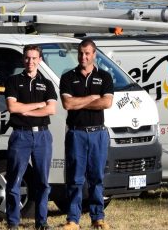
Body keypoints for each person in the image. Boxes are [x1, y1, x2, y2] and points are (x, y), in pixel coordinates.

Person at [59, 38, 113, 230]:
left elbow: (106, 103)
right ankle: (73, 219)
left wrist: (79, 101)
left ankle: (98, 218)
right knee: (75, 178)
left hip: (98, 134)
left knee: (96, 177)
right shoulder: (68, 77)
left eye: (87, 53)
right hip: (76, 134)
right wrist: (91, 98)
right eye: (81, 53)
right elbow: (68, 104)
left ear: (94, 54)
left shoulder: (105, 77)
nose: (83, 56)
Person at [4, 44, 58, 230]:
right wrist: (38, 105)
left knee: (43, 181)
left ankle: (41, 222)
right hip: (21, 135)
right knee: (14, 180)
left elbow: (51, 109)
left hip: (42, 136)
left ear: (40, 60)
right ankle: (13, 222)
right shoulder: (13, 81)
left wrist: (26, 109)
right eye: (27, 58)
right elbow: (13, 108)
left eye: (34, 58)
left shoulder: (47, 83)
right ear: (23, 59)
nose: (30, 61)